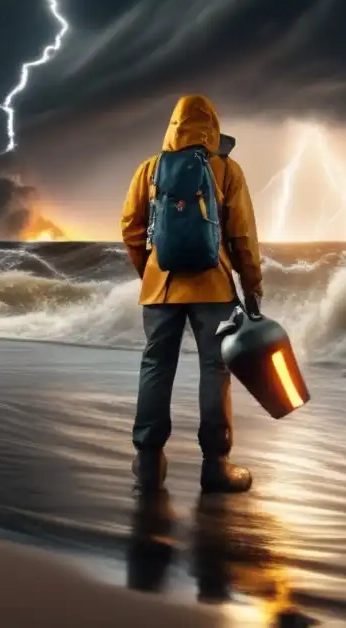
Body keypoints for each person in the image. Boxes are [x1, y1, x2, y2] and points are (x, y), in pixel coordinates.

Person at [120, 94, 263, 494]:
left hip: (160, 285)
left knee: (155, 367)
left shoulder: (149, 170)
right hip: (213, 287)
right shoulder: (225, 168)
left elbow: (131, 227)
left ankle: (149, 463)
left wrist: (148, 270)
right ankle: (216, 464)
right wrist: (251, 285)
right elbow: (242, 235)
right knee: (214, 370)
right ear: (212, 129)